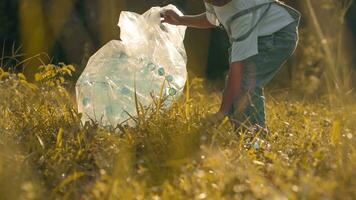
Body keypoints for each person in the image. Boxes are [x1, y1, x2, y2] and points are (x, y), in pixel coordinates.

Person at [161, 0, 301, 131]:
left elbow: (237, 69)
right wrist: (180, 20)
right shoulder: (214, 2)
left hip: (277, 35)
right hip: (260, 31)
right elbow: (213, 18)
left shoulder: (242, 12)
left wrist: (222, 111)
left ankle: (253, 136)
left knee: (245, 83)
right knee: (236, 85)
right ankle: (237, 126)